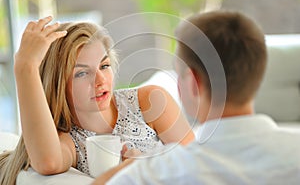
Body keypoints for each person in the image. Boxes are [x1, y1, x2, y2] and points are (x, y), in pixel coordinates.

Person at [93, 10, 300, 184]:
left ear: (193, 83)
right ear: (258, 72)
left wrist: (133, 164)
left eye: (179, 74)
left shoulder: (152, 174)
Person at [0, 16, 195, 185]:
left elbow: (200, 163)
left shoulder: (150, 101)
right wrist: (26, 67)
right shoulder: (70, 141)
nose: (100, 81)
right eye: (82, 73)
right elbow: (47, 162)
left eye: (104, 66)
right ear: (58, 84)